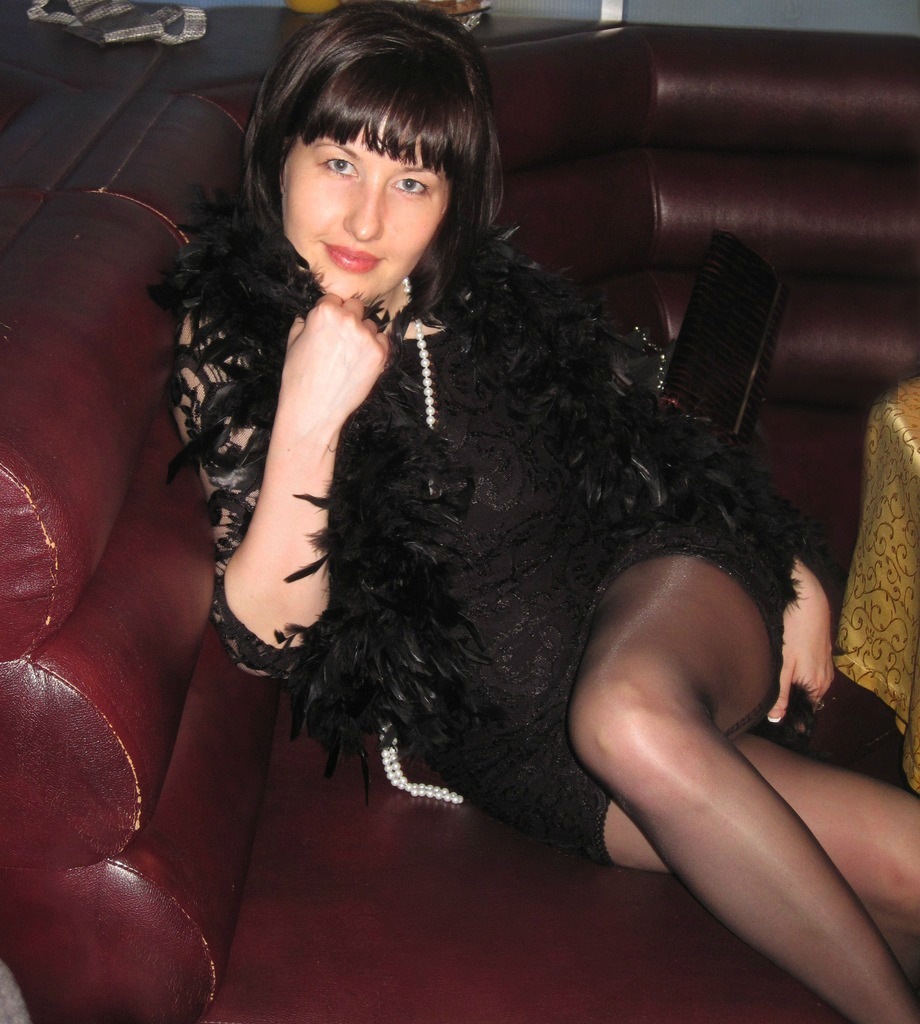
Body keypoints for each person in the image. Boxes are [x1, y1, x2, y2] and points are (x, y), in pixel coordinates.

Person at [156, 3, 920, 1021]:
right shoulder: (234, 345)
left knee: (628, 713)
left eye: (411, 181)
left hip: (660, 591)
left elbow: (648, 444)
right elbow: (266, 641)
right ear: (279, 155)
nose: (365, 222)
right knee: (897, 880)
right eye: (339, 163)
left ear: (451, 202)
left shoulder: (483, 298)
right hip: (527, 751)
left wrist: (782, 558)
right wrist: (309, 416)